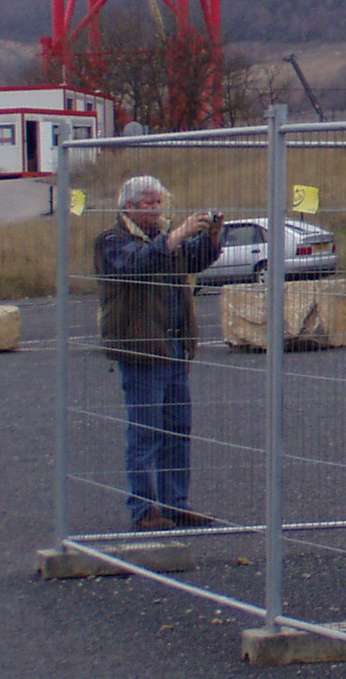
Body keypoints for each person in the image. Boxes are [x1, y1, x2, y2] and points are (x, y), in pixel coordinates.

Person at [96, 174, 224, 532]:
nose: (155, 209)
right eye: (148, 204)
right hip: (141, 347)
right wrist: (178, 234)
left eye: (158, 203)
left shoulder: (164, 238)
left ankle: (175, 504)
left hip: (175, 345)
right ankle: (144, 508)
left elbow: (193, 261)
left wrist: (210, 236)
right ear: (129, 207)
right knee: (145, 431)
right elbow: (137, 263)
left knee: (178, 429)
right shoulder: (111, 241)